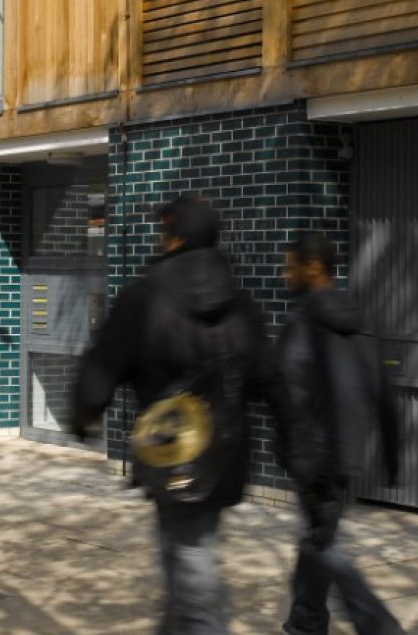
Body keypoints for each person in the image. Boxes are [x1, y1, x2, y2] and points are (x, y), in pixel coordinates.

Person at [73, 194, 311, 635]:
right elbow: (271, 380)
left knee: (194, 573)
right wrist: (291, 442)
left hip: (168, 455)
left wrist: (83, 412)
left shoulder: (144, 297)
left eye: (164, 230)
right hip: (223, 456)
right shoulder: (241, 304)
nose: (160, 239)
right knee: (183, 561)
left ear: (176, 237)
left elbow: (103, 364)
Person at [279, 232, 403, 635]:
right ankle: (306, 620)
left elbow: (289, 390)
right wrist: (392, 454)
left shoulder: (304, 320)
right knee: (319, 537)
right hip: (348, 452)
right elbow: (383, 391)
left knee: (324, 545)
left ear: (313, 267)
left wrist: (292, 454)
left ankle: (378, 625)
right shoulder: (360, 320)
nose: (285, 274)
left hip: (314, 454)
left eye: (290, 265)